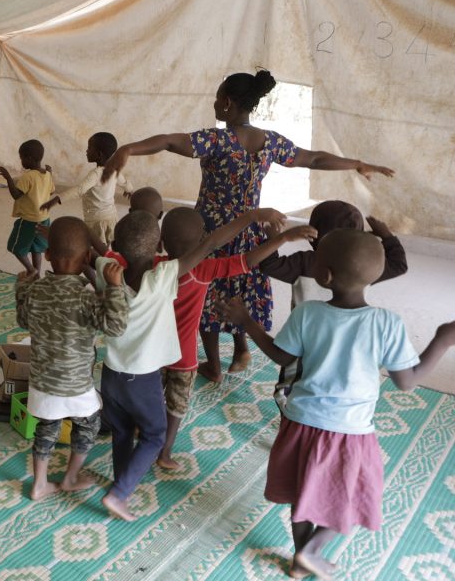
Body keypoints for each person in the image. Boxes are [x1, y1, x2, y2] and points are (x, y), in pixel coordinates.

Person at [101, 69, 395, 384]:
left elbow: (170, 142)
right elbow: (314, 159)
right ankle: (241, 349)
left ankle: (213, 365)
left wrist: (127, 148)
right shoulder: (270, 142)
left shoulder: (218, 139)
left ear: (227, 103)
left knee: (206, 288)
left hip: (212, 231)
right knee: (240, 281)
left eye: (217, 98)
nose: (214, 103)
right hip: (251, 228)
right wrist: (356, 163)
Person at [216, 229, 454, 581]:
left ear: (323, 276)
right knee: (356, 496)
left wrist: (247, 322)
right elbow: (407, 381)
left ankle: (300, 557)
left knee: (303, 493)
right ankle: (311, 552)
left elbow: (280, 355)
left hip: (300, 422)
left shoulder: (308, 313)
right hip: (349, 432)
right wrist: (441, 340)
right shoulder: (386, 323)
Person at [94, 209, 282, 520]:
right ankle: (119, 494)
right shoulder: (163, 276)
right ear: (158, 249)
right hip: (141, 379)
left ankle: (121, 479)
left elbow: (97, 247)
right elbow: (210, 245)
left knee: (122, 431)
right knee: (154, 434)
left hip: (111, 374)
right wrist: (250, 218)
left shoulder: (107, 268)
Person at [154, 206, 315, 470]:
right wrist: (281, 238)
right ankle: (165, 452)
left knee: (151, 394)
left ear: (161, 243)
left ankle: (143, 430)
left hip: (153, 354)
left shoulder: (154, 268)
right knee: (176, 405)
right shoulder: (202, 270)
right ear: (200, 243)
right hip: (183, 357)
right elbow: (248, 261)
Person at [15, 216, 129, 500]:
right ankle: (70, 477)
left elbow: (23, 321)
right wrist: (114, 288)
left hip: (41, 384)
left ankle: (39, 483)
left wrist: (22, 289)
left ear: (48, 255)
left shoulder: (36, 290)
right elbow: (115, 326)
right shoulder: (87, 298)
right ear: (88, 258)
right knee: (89, 424)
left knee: (47, 426)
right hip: (76, 385)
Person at [260, 200, 407, 307]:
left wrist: (274, 238)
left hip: (304, 333)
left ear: (313, 232)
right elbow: (399, 265)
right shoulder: (365, 263)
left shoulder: (305, 262)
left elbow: (269, 265)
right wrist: (388, 236)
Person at [41, 132, 132, 249]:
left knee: (95, 247)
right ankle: (105, 258)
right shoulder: (114, 169)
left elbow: (79, 190)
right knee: (104, 245)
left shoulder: (95, 174)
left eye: (89, 148)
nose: (86, 151)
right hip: (110, 217)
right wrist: (130, 190)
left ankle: (99, 263)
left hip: (96, 220)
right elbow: (124, 183)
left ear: (99, 154)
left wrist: (54, 200)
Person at [0, 139, 55, 277]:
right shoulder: (47, 174)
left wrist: (8, 178)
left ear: (29, 159)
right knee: (36, 249)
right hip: (44, 218)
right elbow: (51, 191)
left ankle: (31, 270)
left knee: (15, 247)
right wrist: (50, 174)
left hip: (29, 219)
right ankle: (37, 275)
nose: (21, 161)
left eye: (21, 158)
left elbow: (16, 195)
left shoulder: (28, 176)